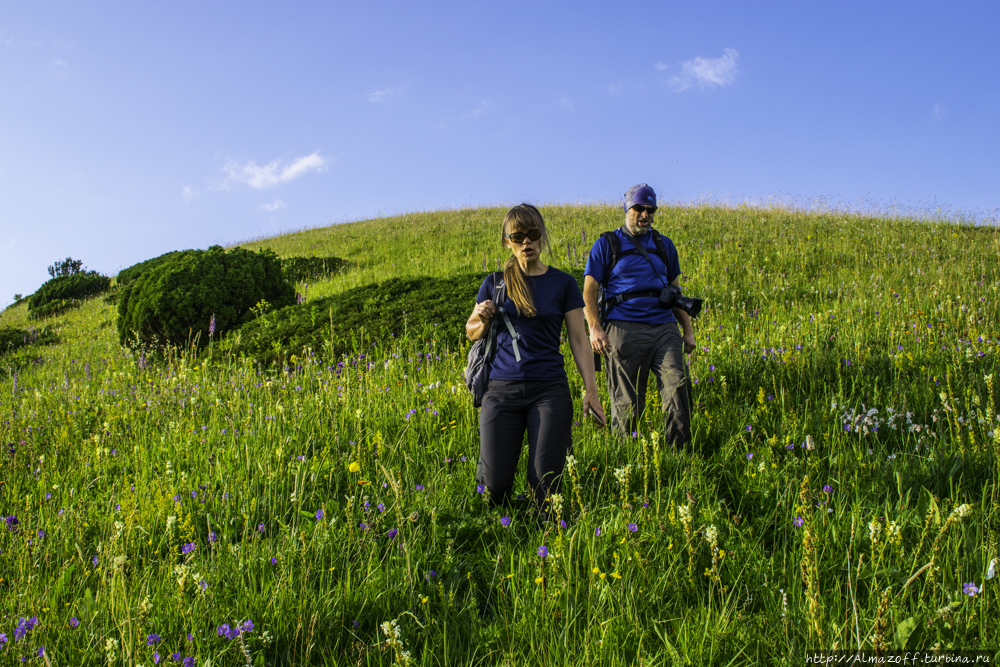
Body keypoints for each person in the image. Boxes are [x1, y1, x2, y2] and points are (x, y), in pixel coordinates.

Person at [466, 204, 605, 515]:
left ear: (542, 237)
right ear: (507, 242)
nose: (526, 242)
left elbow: (579, 339)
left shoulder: (564, 284)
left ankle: (544, 540)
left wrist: (591, 391)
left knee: (545, 480)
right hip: (500, 390)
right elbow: (471, 331)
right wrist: (482, 317)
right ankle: (502, 531)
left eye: (532, 234)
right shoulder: (495, 283)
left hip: (549, 390)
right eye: (517, 236)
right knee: (494, 485)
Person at [582, 184, 695, 445]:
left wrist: (687, 331)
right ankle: (627, 455)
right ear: (627, 209)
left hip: (664, 326)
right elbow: (589, 291)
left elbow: (675, 291)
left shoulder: (664, 245)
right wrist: (595, 327)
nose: (645, 215)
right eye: (639, 209)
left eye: (650, 210)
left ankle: (678, 453)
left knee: (677, 385)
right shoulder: (606, 244)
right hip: (623, 326)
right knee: (627, 398)